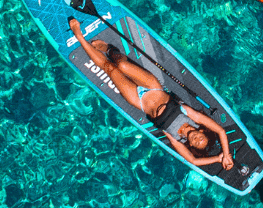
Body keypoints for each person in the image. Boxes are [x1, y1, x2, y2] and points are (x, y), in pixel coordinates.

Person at [67, 18, 236, 174]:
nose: (198, 138)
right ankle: (110, 49)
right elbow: (220, 130)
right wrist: (226, 154)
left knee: (109, 69)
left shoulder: (176, 139)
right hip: (153, 88)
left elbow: (193, 161)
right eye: (202, 137)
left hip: (139, 102)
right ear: (202, 131)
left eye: (197, 143)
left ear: (191, 145)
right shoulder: (193, 118)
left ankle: (79, 36)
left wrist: (217, 159)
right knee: (121, 65)